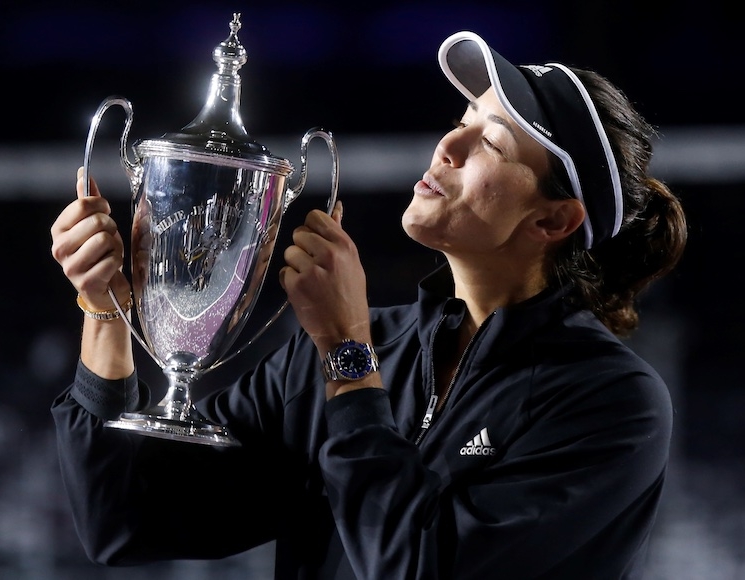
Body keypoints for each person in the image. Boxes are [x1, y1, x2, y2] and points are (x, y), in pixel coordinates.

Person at [49, 29, 687, 580]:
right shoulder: (343, 356)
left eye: (490, 144)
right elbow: (124, 520)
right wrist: (103, 310)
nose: (448, 147)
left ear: (553, 221)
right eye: (462, 121)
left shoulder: (610, 402)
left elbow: (420, 566)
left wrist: (348, 360)